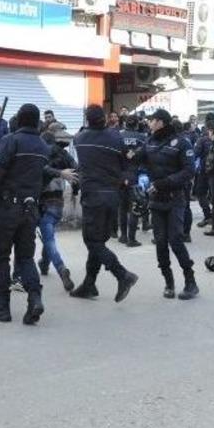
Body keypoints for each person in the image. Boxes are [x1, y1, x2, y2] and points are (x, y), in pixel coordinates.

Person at [0, 104, 50, 325]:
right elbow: (43, 177)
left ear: (19, 120)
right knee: (26, 258)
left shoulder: (10, 141)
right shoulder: (43, 146)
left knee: (2, 258)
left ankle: (2, 307)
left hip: (7, 208)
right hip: (30, 208)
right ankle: (35, 298)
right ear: (36, 121)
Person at [67, 104, 139, 302]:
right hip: (113, 195)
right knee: (99, 241)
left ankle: (122, 275)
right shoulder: (117, 138)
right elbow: (128, 162)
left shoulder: (80, 139)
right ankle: (89, 284)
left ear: (87, 120)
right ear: (105, 119)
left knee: (92, 241)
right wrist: (125, 177)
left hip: (93, 196)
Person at [130, 109, 198, 300]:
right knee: (160, 242)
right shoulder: (149, 142)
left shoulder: (182, 143)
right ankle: (169, 282)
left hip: (175, 198)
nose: (149, 123)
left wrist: (162, 183)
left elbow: (189, 171)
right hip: (156, 200)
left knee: (175, 240)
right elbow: (137, 158)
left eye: (152, 121)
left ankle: (190, 282)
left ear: (160, 122)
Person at [37, 129, 78, 291]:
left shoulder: (40, 154)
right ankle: (44, 264)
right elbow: (76, 170)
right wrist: (75, 190)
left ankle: (62, 269)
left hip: (41, 201)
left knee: (48, 239)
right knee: (48, 234)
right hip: (58, 201)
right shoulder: (63, 154)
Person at [118, 114, 147, 247]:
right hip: (135, 175)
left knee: (122, 208)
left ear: (125, 124)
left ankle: (123, 236)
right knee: (135, 207)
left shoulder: (118, 136)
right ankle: (131, 239)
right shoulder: (142, 138)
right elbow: (146, 157)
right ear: (136, 124)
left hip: (120, 175)